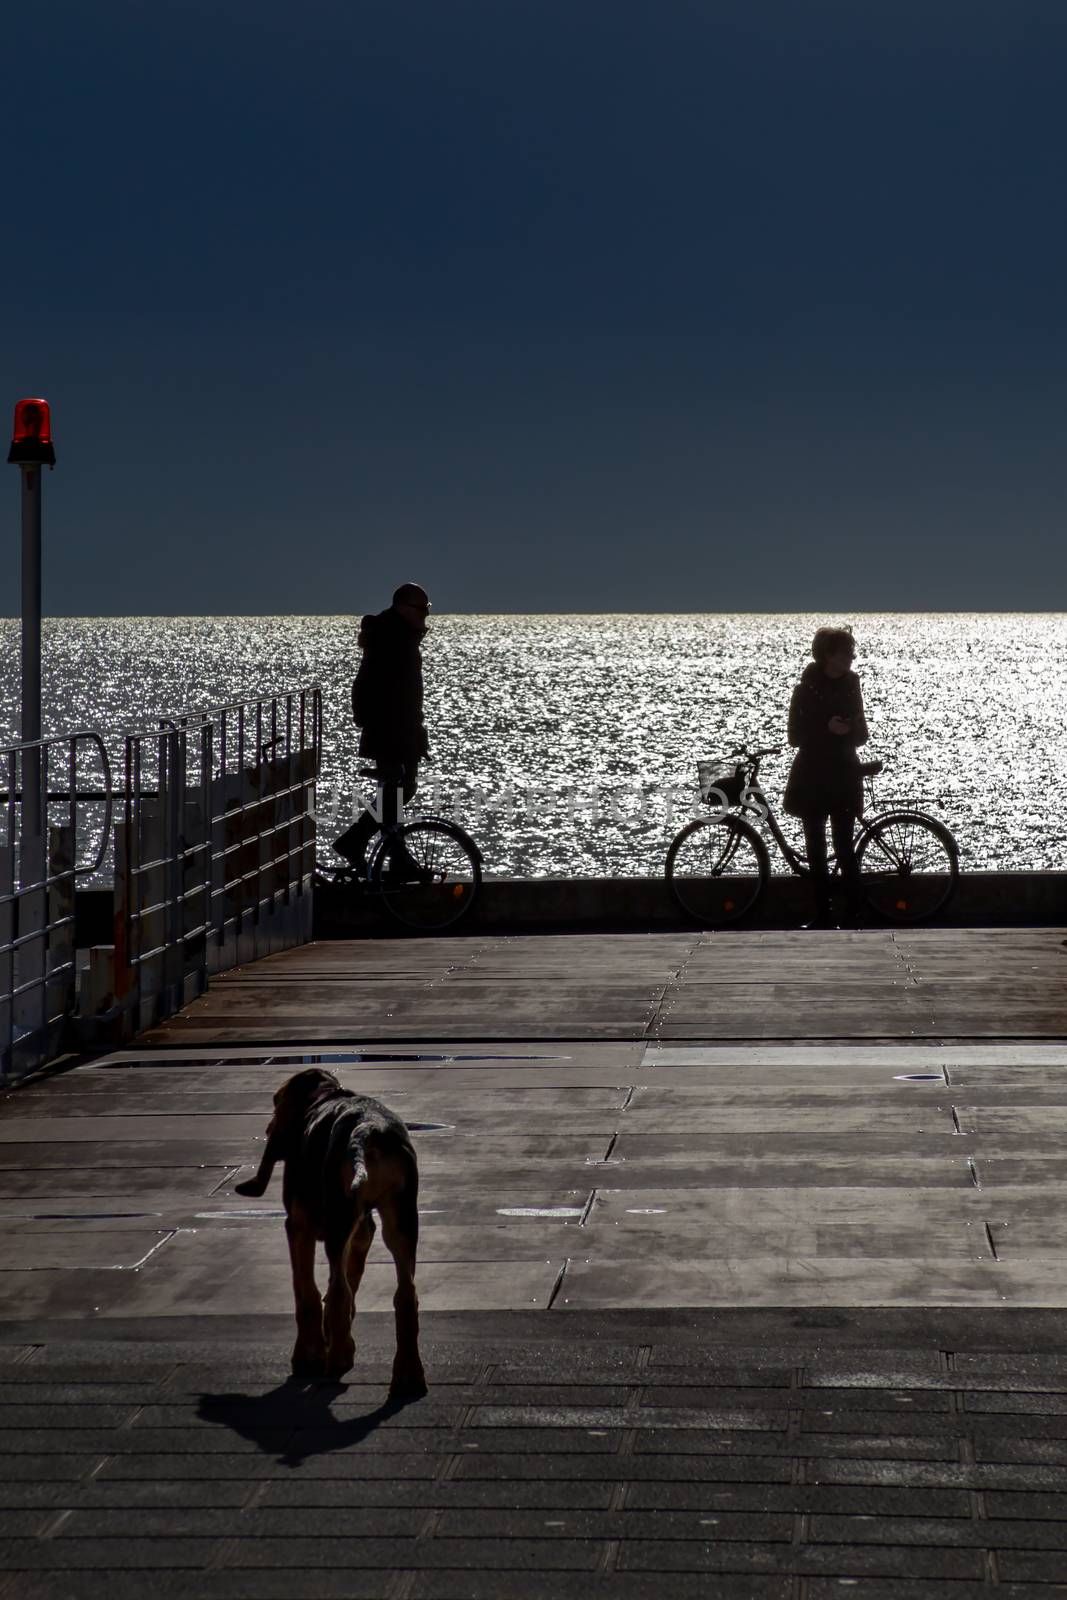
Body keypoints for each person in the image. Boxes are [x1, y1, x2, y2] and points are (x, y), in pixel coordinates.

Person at [334, 582, 432, 875]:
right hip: (392, 730)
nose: (426, 616)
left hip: (397, 728)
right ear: (403, 608)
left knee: (397, 792)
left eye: (428, 609)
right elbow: (381, 689)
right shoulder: (393, 638)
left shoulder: (397, 636)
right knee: (400, 789)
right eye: (421, 609)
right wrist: (402, 730)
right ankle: (356, 839)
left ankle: (396, 857)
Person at [783, 625, 869, 928]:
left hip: (844, 772)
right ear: (828, 656)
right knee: (815, 848)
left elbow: (862, 735)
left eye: (851, 652)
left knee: (844, 845)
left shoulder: (851, 685)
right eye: (846, 652)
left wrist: (849, 730)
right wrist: (826, 728)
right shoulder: (804, 690)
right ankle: (823, 914)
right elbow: (795, 736)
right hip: (813, 774)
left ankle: (854, 913)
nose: (851, 658)